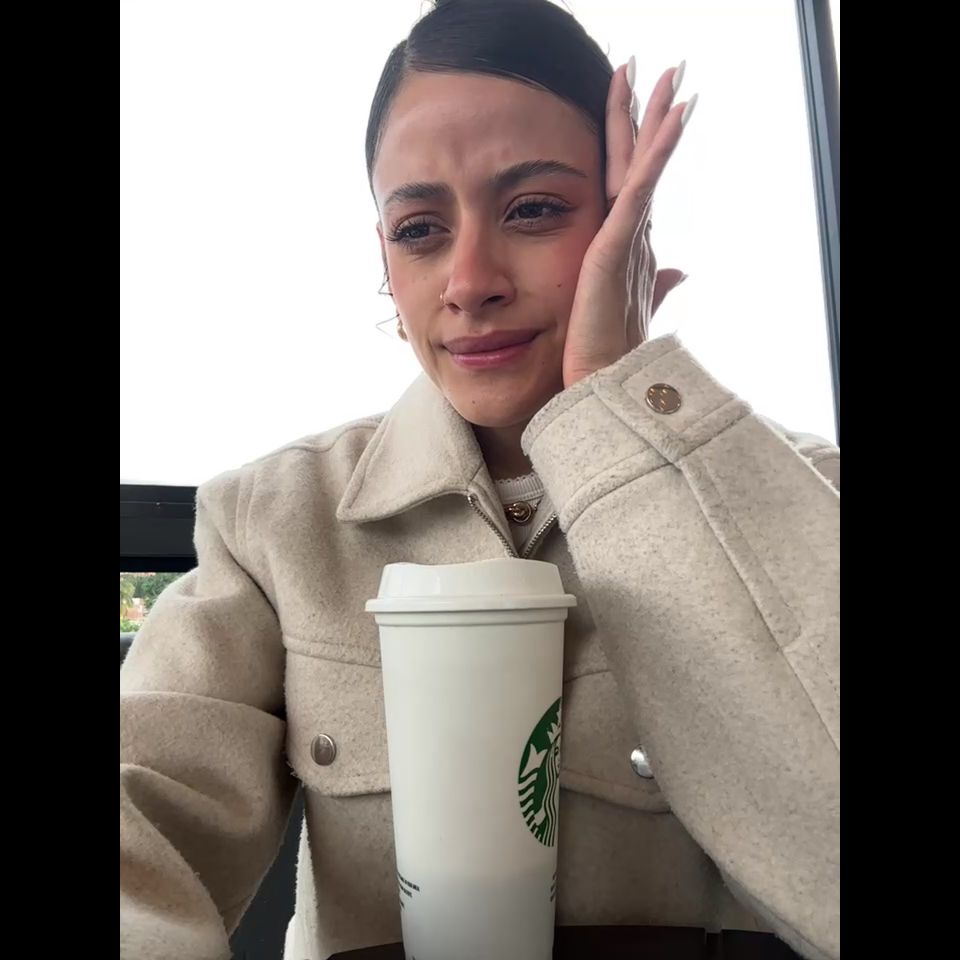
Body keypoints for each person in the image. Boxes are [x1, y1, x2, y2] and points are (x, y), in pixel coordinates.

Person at [120, 2, 840, 958]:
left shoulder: (798, 495)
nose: (469, 281)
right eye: (419, 228)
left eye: (533, 209)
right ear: (386, 263)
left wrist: (620, 406)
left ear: (628, 224)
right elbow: (142, 804)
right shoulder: (278, 521)